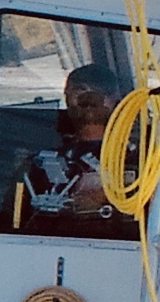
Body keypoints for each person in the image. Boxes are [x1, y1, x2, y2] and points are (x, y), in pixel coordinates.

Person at [14, 66, 130, 234]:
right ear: (67, 99)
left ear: (115, 99)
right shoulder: (39, 163)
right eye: (78, 92)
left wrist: (103, 205)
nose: (88, 99)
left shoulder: (139, 160)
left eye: (99, 92)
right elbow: (13, 217)